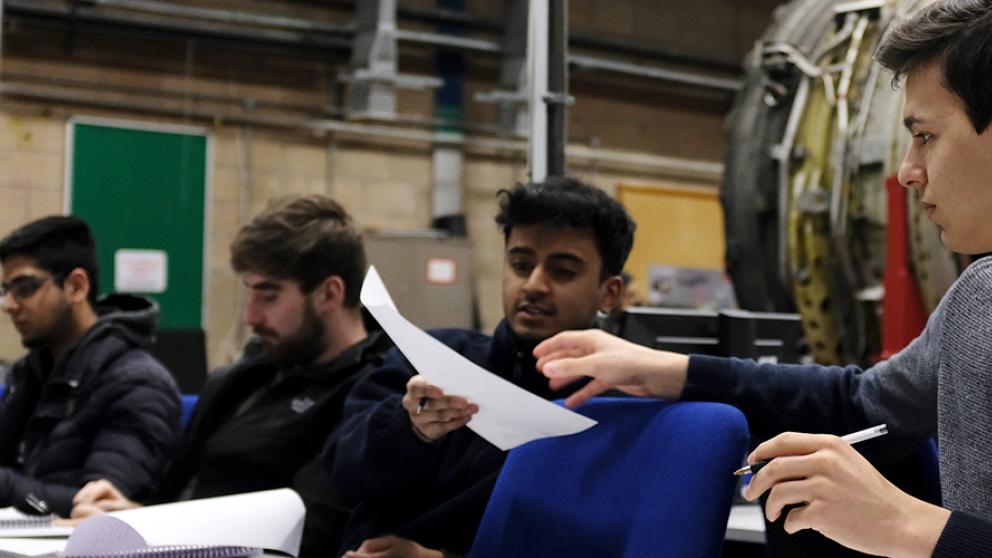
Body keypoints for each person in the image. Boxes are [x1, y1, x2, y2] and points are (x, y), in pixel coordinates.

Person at [534, 2, 992, 556]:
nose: (907, 171)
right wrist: (667, 370)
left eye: (926, 136)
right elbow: (859, 404)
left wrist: (910, 526)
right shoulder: (977, 300)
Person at [324, 176, 635, 556]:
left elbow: (594, 544)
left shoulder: (619, 409)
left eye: (563, 271)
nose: (534, 284)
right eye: (520, 264)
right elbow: (341, 473)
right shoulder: (428, 357)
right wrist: (408, 429)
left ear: (609, 293)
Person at [71, 196, 392, 558]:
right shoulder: (242, 380)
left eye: (268, 296)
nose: (250, 317)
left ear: (330, 294)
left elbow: (305, 529)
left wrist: (157, 528)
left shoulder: (375, 393)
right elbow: (181, 492)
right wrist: (134, 515)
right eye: (250, 293)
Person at [0, 216, 181, 518]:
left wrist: (6, 486)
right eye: (5, 291)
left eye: (25, 288)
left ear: (76, 286)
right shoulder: (31, 373)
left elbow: (100, 508)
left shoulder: (138, 383)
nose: (9, 305)